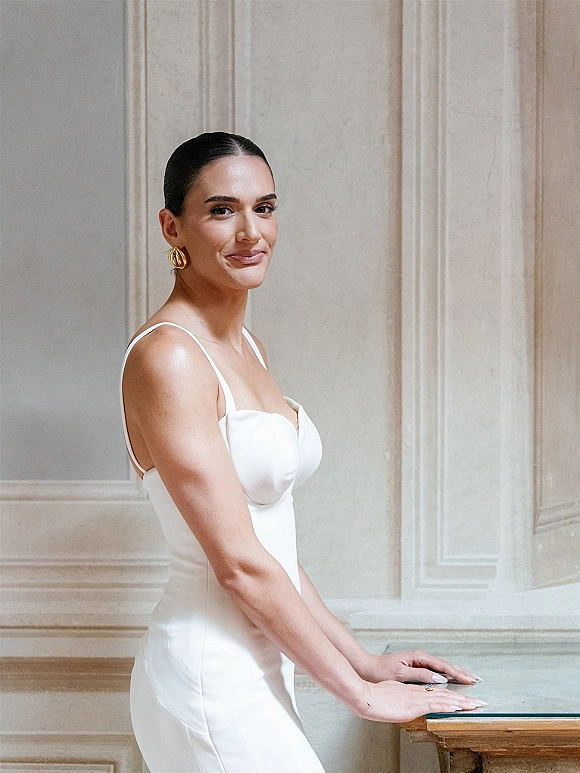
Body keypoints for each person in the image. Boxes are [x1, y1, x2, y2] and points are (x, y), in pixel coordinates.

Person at [120, 132, 485, 773]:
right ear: (171, 226)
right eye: (221, 210)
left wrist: (361, 659)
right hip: (210, 672)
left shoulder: (246, 348)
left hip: (262, 668)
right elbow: (238, 565)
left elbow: (272, 547)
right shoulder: (169, 356)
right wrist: (361, 694)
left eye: (264, 207)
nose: (249, 233)